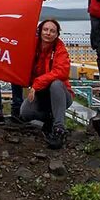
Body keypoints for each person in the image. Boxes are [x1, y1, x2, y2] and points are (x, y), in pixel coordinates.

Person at [19, 18, 73, 149]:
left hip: (60, 93)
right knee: (25, 113)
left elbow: (62, 72)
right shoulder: (32, 46)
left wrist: (36, 83)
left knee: (55, 83)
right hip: (41, 93)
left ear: (57, 34)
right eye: (45, 29)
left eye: (52, 31)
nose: (48, 33)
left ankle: (59, 129)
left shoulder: (60, 49)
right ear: (40, 31)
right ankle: (50, 119)